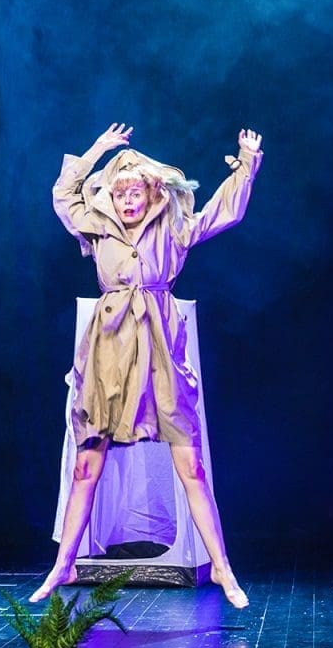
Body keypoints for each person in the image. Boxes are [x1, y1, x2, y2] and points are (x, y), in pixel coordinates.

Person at [32, 123, 263, 609]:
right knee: (87, 464)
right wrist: (98, 149)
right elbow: (63, 194)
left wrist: (246, 165)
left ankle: (222, 567)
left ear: (152, 192)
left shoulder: (172, 227)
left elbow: (222, 212)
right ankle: (63, 563)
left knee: (190, 464)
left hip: (159, 348)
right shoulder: (97, 227)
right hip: (108, 350)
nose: (127, 201)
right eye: (120, 194)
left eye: (135, 192)